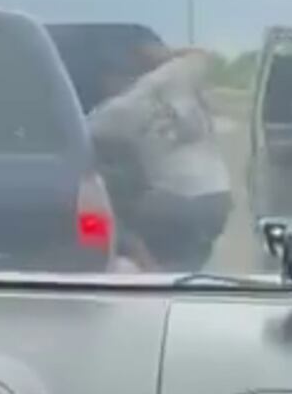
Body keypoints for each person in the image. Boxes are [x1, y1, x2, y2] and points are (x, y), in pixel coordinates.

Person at [90, 48, 232, 272]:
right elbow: (205, 55)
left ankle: (150, 269)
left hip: (170, 202)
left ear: (107, 80)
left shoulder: (113, 112)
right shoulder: (175, 75)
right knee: (191, 256)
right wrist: (160, 53)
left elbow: (81, 138)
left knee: (106, 211)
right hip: (217, 197)